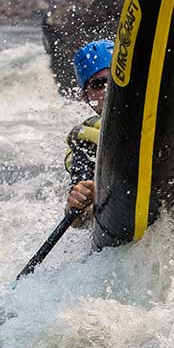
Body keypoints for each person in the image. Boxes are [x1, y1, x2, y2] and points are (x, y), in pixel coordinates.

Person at [63, 39, 113, 222]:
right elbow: (78, 221)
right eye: (98, 84)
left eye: (114, 78)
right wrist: (77, 203)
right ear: (85, 96)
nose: (108, 87)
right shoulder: (85, 141)